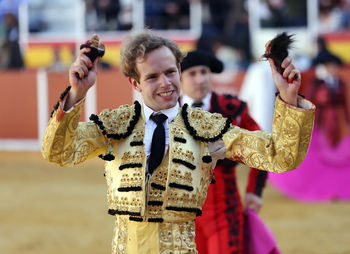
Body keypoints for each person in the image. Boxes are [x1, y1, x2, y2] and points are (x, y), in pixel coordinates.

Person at [41, 29, 315, 253]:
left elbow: (280, 156)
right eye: (152, 77)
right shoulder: (115, 126)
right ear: (135, 84)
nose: (165, 83)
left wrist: (288, 98)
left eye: (170, 72)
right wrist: (76, 94)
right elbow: (58, 153)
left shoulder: (206, 127)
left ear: (179, 68)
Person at [179, 49, 267, 254]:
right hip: (179, 212)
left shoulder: (231, 109)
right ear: (179, 78)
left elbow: (261, 147)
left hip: (224, 209)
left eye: (204, 72)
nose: (200, 79)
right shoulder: (168, 114)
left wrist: (254, 190)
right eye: (192, 74)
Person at [268, 38, 350, 202]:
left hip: (338, 123)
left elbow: (345, 105)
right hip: (321, 122)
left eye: (335, 66)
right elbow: (309, 103)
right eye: (330, 66)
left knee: (338, 155)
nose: (333, 69)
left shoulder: (340, 84)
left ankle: (335, 187)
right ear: (325, 67)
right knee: (318, 154)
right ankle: (323, 187)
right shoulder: (317, 84)